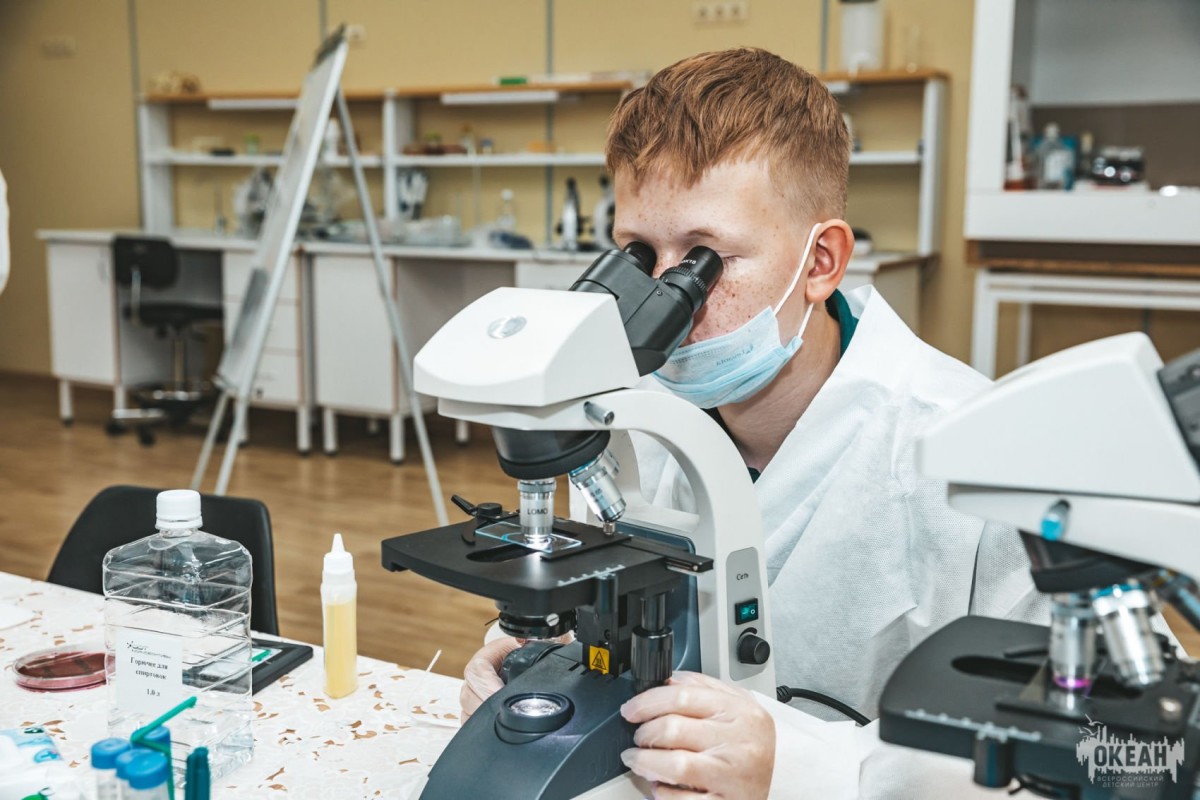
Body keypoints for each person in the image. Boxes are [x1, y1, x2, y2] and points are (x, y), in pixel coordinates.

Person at [460, 48, 1046, 797]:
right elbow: (597, 613)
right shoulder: (634, 420)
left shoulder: (981, 454)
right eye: (639, 255)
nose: (665, 299)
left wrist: (811, 769)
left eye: (704, 259)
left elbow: (1101, 739)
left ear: (821, 260)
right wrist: (535, 655)